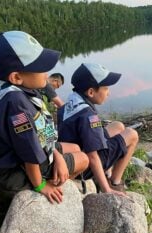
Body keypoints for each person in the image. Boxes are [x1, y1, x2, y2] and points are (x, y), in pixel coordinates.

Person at [0, 31, 89, 204]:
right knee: (83, 159)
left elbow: (40, 133)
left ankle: (57, 175)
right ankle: (53, 184)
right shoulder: (16, 104)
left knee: (75, 147)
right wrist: (40, 185)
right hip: (14, 171)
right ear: (16, 77)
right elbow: (29, 150)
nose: (47, 74)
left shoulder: (25, 91)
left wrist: (57, 154)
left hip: (26, 155)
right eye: (41, 68)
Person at [57, 63, 139, 196]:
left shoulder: (69, 104)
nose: (109, 93)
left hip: (74, 153)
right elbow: (93, 156)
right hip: (83, 165)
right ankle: (114, 183)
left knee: (118, 126)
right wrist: (106, 189)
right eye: (106, 88)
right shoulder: (88, 115)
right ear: (90, 92)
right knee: (132, 135)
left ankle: (108, 172)